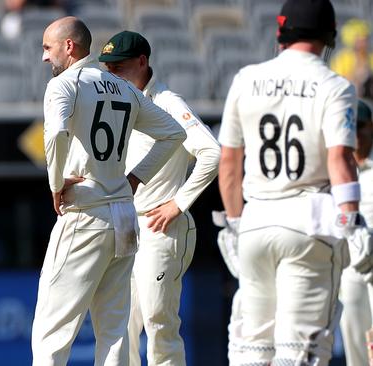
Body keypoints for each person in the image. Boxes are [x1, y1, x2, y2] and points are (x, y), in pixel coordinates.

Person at [218, 0, 373, 364]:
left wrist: (236, 222)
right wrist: (350, 218)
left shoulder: (246, 78)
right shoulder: (335, 86)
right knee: (300, 351)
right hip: (310, 223)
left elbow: (229, 161)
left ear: (281, 32)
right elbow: (338, 159)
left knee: (251, 347)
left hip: (256, 221)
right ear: (329, 36)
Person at [32, 16, 187, 366]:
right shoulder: (124, 87)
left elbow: (55, 134)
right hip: (123, 215)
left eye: (47, 47)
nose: (44, 57)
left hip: (86, 211)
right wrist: (135, 178)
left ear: (69, 46)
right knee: (115, 332)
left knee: (51, 329)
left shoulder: (64, 84)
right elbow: (174, 133)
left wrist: (55, 185)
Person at [99, 30, 220, 366]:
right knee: (121, 324)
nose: (112, 74)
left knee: (158, 321)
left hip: (161, 226)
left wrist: (178, 203)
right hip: (124, 225)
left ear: (142, 62)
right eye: (108, 67)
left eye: (119, 66)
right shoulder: (115, 104)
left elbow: (212, 153)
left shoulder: (168, 102)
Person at [339, 99, 373, 366]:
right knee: (354, 340)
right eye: (351, 129)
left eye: (361, 127)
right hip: (352, 265)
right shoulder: (338, 166)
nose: (356, 135)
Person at [330, 18, 373, 96]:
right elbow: (338, 81)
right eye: (360, 40)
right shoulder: (342, 58)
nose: (365, 43)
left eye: (366, 39)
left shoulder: (370, 57)